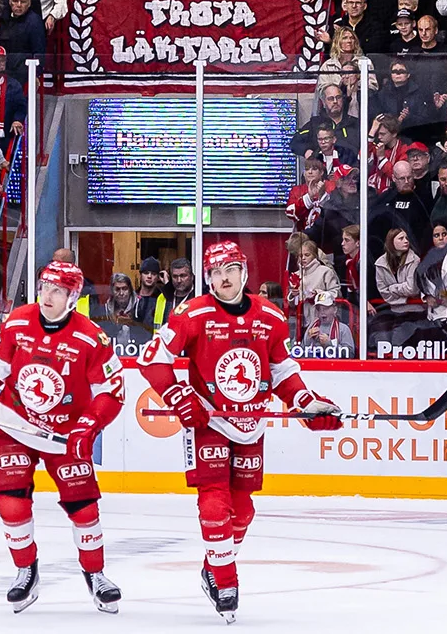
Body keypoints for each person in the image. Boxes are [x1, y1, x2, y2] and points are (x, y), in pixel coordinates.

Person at [137, 241, 342, 622]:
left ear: (243, 271)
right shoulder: (193, 313)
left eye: (230, 269)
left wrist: (307, 404)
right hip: (209, 421)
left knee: (243, 509)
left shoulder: (271, 316)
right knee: (215, 503)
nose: (223, 278)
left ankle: (211, 565)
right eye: (215, 272)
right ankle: (225, 578)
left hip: (251, 425)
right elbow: (152, 360)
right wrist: (181, 396)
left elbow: (282, 373)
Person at [0, 261, 125, 614]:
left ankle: (96, 575)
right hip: (15, 424)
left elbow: (112, 391)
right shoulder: (18, 321)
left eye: (57, 291)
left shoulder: (91, 337)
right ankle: (25, 571)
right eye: (44, 287)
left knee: (84, 508)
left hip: (66, 433)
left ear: (72, 296)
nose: (47, 296)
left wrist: (89, 426)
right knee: (11, 502)